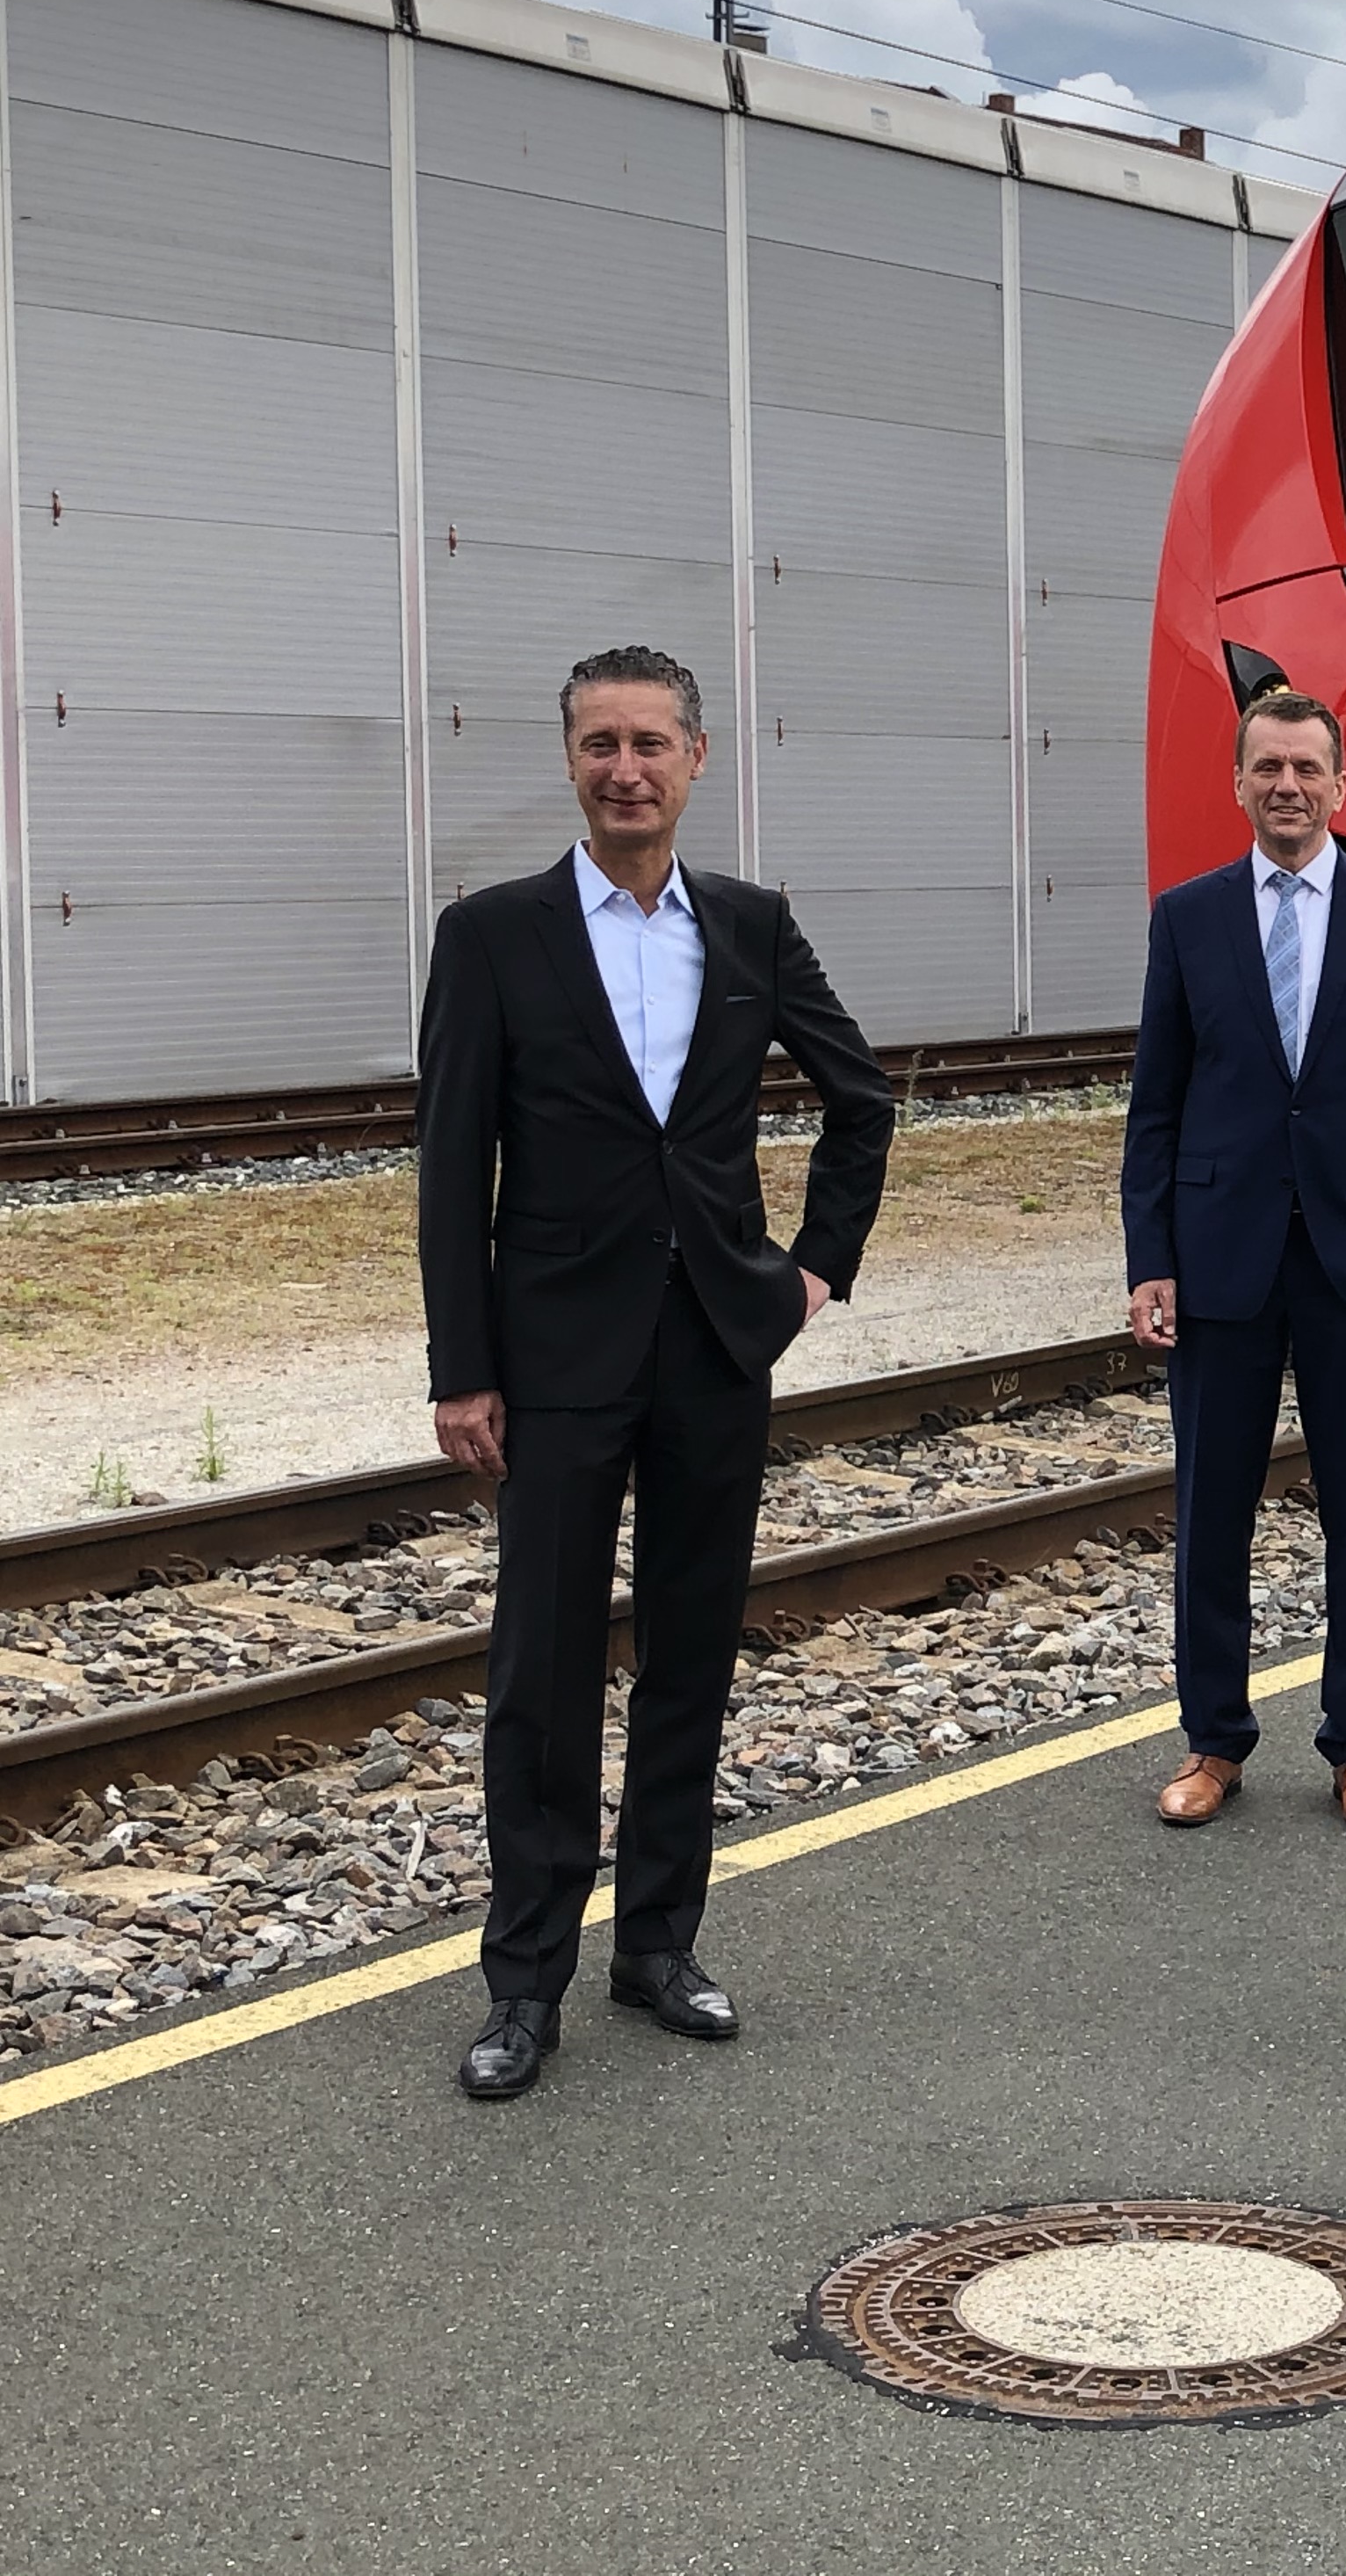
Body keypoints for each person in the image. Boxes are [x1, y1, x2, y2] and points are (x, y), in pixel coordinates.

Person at [418, 645, 892, 2101]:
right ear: (570, 762)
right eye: (598, 744)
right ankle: (524, 1984)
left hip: (710, 1349)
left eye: (650, 744)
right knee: (541, 1677)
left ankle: (661, 1947)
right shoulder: (493, 933)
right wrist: (463, 1366)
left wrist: (813, 1271)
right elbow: (452, 1167)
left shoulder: (750, 925)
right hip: (554, 1359)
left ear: (697, 760)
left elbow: (860, 1095)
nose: (625, 768)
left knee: (690, 1655)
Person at [1122, 689, 1346, 1833]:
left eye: (1307, 768)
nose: (1287, 786)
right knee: (1211, 1508)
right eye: (1267, 767)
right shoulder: (1189, 917)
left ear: (1341, 783)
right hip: (1220, 1258)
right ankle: (1213, 1741)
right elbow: (1155, 1107)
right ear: (1239, 783)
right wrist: (1148, 1256)